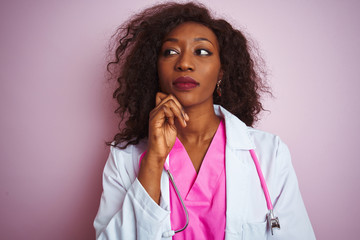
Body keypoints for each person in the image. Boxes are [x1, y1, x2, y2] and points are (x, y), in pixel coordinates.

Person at [94, 2, 316, 239]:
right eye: (170, 52)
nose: (184, 64)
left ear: (221, 72)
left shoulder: (269, 153)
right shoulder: (125, 157)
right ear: (155, 69)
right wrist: (154, 159)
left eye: (201, 51)